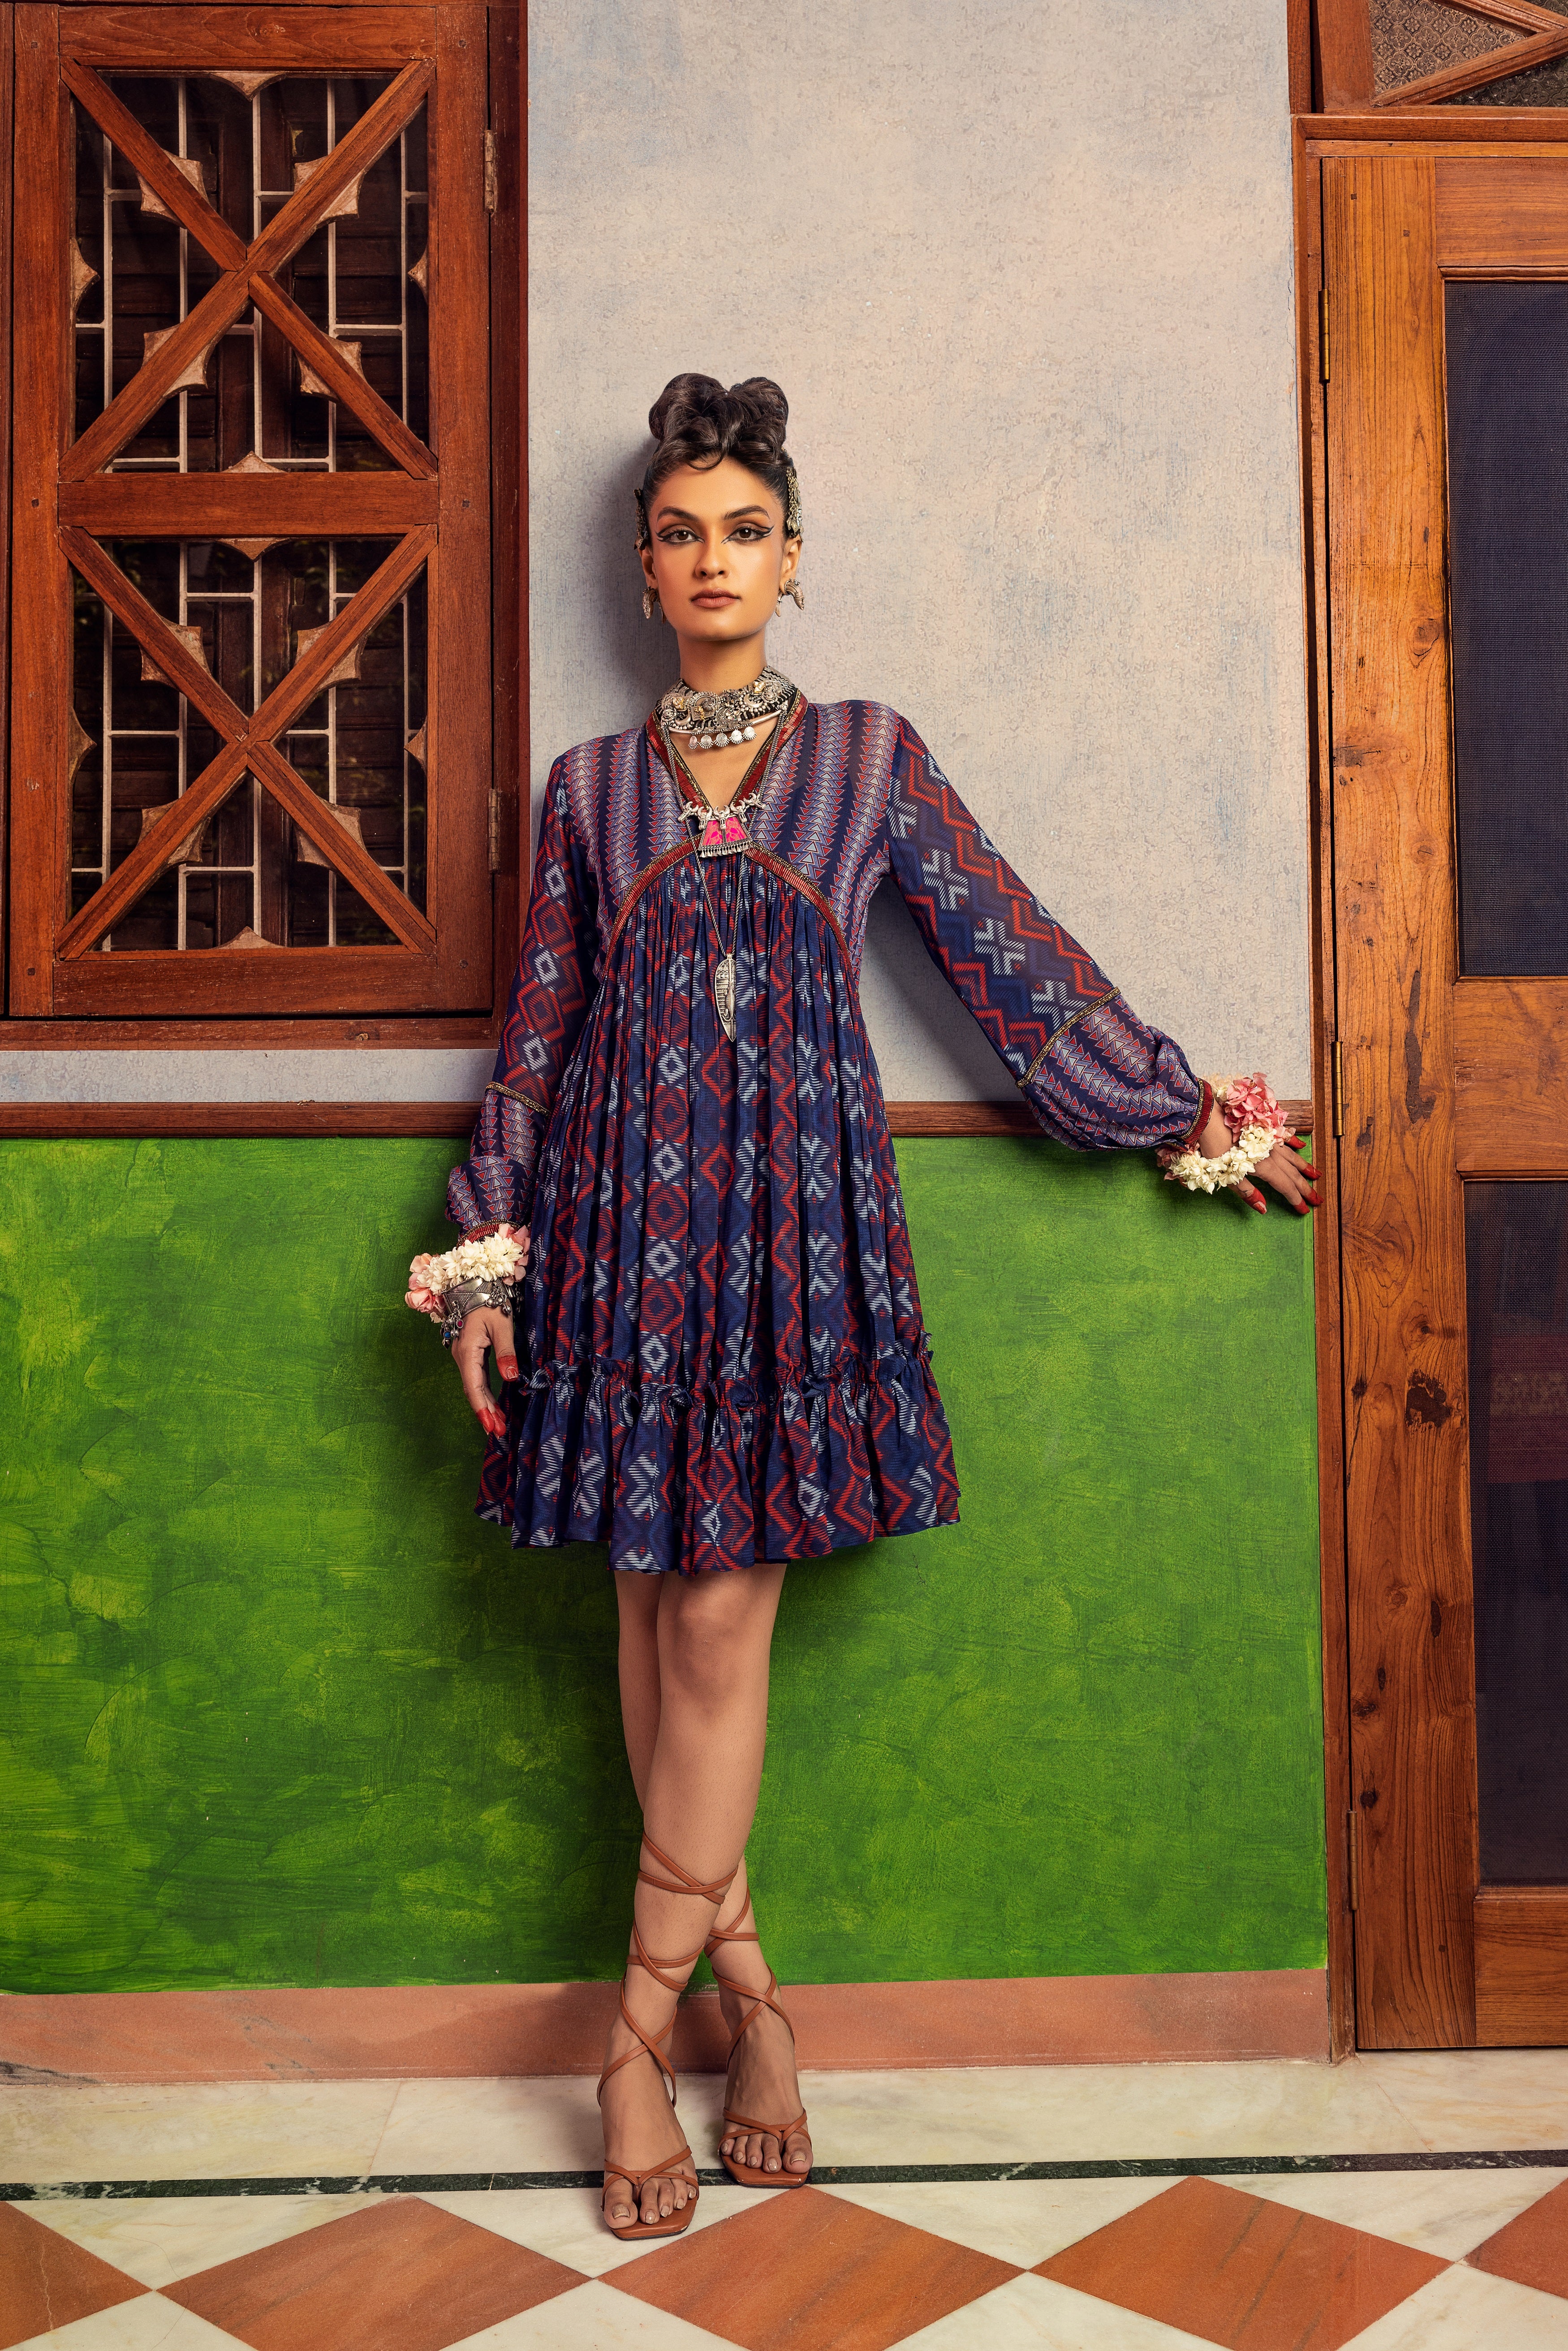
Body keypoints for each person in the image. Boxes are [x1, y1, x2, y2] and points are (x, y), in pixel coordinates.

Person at [407, 374, 1318, 2241]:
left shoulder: (866, 758)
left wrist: (1179, 1114)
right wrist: (488, 1258)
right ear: (642, 566)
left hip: (787, 1239)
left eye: (744, 531)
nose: (712, 560)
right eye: (680, 533)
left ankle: (628, 2044)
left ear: (793, 561)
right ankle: (763, 2017)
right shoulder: (587, 791)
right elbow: (535, 1041)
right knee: (648, 1612)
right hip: (613, 1240)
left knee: (714, 1611)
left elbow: (1007, 956)